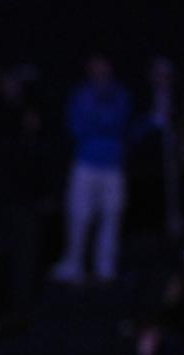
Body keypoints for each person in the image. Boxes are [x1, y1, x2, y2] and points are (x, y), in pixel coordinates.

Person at [51, 54, 130, 285]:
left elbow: (120, 123)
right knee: (79, 215)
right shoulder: (80, 95)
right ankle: (74, 264)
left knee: (111, 215)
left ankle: (105, 267)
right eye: (96, 65)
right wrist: (100, 124)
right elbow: (77, 126)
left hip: (113, 165)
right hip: (85, 162)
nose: (100, 70)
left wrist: (100, 124)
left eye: (103, 65)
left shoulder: (120, 94)